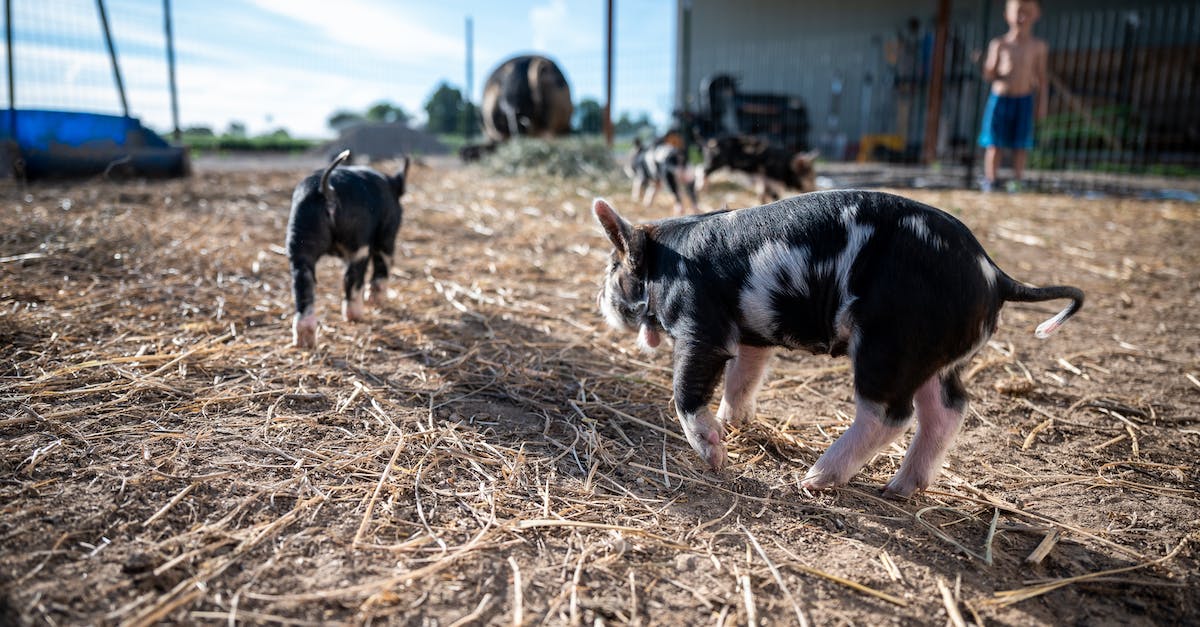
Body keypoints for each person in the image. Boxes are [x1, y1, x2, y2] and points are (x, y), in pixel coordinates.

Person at [979, 0, 1048, 192]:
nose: (1022, 17)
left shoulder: (1038, 47)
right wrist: (990, 70)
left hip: (1024, 100)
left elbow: (1042, 79)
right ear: (1007, 14)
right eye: (1018, 12)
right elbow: (988, 74)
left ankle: (1017, 181)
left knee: (1021, 144)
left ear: (1036, 14)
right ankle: (990, 180)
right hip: (1000, 99)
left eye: (1027, 12)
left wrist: (1041, 105)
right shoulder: (999, 44)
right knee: (994, 142)